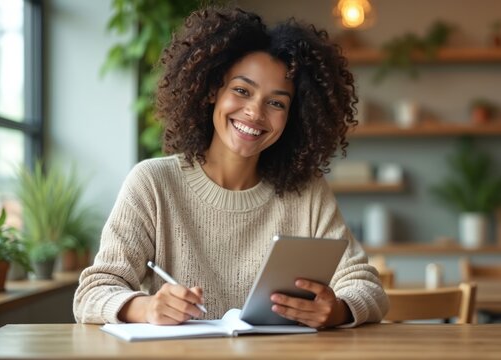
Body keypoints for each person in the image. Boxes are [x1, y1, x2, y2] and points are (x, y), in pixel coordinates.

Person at [73, 6, 388, 329]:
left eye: (276, 102)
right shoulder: (153, 183)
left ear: (293, 117)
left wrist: (337, 310)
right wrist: (147, 308)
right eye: (242, 90)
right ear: (212, 91)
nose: (255, 112)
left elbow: (367, 287)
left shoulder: (306, 192)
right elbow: (92, 293)